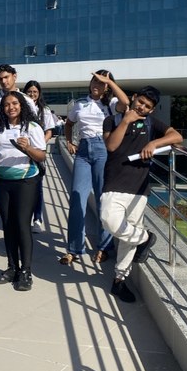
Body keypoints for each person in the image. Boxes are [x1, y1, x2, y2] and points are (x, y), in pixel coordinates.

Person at [101, 86, 183, 302]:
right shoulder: (112, 120)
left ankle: (119, 280)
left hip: (139, 187)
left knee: (128, 240)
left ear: (152, 110)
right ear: (134, 98)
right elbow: (111, 146)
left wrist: (154, 142)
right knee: (109, 220)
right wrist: (126, 121)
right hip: (114, 182)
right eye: (140, 102)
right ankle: (146, 238)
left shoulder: (151, 123)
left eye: (147, 106)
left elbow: (177, 136)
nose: (142, 107)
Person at [61, 70, 129, 265]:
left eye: (101, 83)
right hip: (83, 150)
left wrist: (110, 82)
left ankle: (104, 247)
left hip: (104, 150)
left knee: (103, 200)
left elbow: (126, 104)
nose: (96, 85)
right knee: (76, 198)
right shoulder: (80, 103)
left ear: (107, 86)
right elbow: (69, 123)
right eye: (94, 81)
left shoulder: (112, 104)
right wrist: (69, 141)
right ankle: (74, 248)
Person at [0, 91, 47, 291]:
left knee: (22, 225)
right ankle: (12, 268)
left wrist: (28, 149)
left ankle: (26, 271)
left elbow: (41, 156)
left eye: (15, 103)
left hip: (25, 181)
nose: (11, 107)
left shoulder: (32, 127)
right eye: (6, 105)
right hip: (2, 181)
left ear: (22, 105)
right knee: (8, 225)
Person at [24, 80, 57, 233]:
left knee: (38, 187)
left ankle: (37, 219)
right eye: (29, 91)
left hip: (37, 152)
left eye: (35, 92)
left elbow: (49, 131)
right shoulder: (22, 108)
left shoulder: (44, 110)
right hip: (22, 152)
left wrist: (39, 145)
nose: (32, 94)